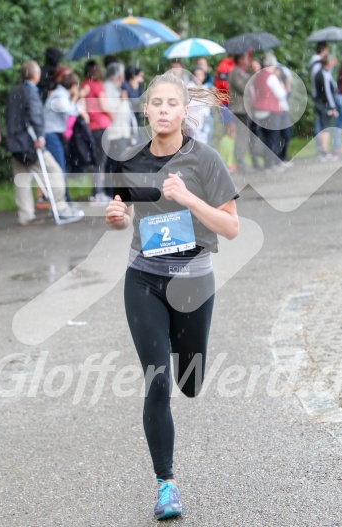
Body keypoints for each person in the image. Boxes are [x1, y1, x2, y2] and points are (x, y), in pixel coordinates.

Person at [105, 71, 239, 520]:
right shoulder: (129, 160)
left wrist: (189, 201)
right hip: (142, 278)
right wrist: (117, 217)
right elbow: (125, 213)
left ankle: (189, 377)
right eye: (156, 103)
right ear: (146, 110)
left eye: (171, 104)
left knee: (190, 383)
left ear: (185, 111)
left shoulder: (204, 160)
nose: (163, 110)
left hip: (194, 282)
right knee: (157, 380)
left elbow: (232, 227)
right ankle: (167, 485)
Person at [5, 61, 83, 225]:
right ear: (35, 75)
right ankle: (60, 206)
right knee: (54, 171)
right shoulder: (31, 93)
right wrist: (40, 136)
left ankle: (26, 216)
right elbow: (35, 116)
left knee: (22, 180)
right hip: (31, 142)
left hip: (16, 143)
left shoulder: (14, 92)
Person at [44, 72, 82, 201]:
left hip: (54, 134)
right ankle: (63, 200)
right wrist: (75, 98)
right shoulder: (59, 96)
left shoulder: (60, 94)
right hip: (51, 134)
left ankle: (64, 198)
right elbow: (71, 111)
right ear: (72, 86)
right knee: (59, 168)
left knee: (61, 166)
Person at [81, 61, 114, 202]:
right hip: (102, 125)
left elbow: (80, 101)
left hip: (90, 128)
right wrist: (113, 116)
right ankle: (98, 193)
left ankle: (95, 192)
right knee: (101, 161)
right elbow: (104, 106)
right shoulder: (97, 86)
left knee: (95, 161)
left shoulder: (84, 86)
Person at [104, 62, 136, 197]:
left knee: (119, 162)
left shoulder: (116, 88)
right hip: (115, 132)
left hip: (122, 131)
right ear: (117, 75)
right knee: (115, 163)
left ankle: (117, 190)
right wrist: (121, 99)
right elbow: (109, 109)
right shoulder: (107, 88)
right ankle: (112, 191)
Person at [251, 52, 287, 169]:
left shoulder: (258, 76)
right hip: (271, 111)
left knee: (266, 138)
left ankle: (267, 163)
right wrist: (283, 88)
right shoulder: (271, 77)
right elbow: (281, 95)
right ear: (271, 64)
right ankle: (270, 164)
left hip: (258, 111)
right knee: (273, 138)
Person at [228, 52, 256, 174]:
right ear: (239, 59)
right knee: (241, 137)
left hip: (246, 109)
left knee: (245, 137)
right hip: (240, 110)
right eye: (245, 58)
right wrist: (252, 75)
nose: (248, 60)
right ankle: (240, 164)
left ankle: (242, 162)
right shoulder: (235, 72)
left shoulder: (242, 72)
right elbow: (244, 87)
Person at [314, 54, 339, 161]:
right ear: (328, 63)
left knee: (324, 127)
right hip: (325, 105)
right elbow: (328, 92)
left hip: (320, 103)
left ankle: (323, 150)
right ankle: (324, 151)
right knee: (326, 128)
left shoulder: (322, 72)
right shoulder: (323, 74)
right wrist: (333, 107)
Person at [309, 42, 329, 147]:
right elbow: (320, 80)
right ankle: (320, 147)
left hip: (318, 94)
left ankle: (321, 146)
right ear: (323, 50)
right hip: (320, 96)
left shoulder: (315, 62)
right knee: (321, 122)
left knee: (320, 121)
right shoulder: (317, 63)